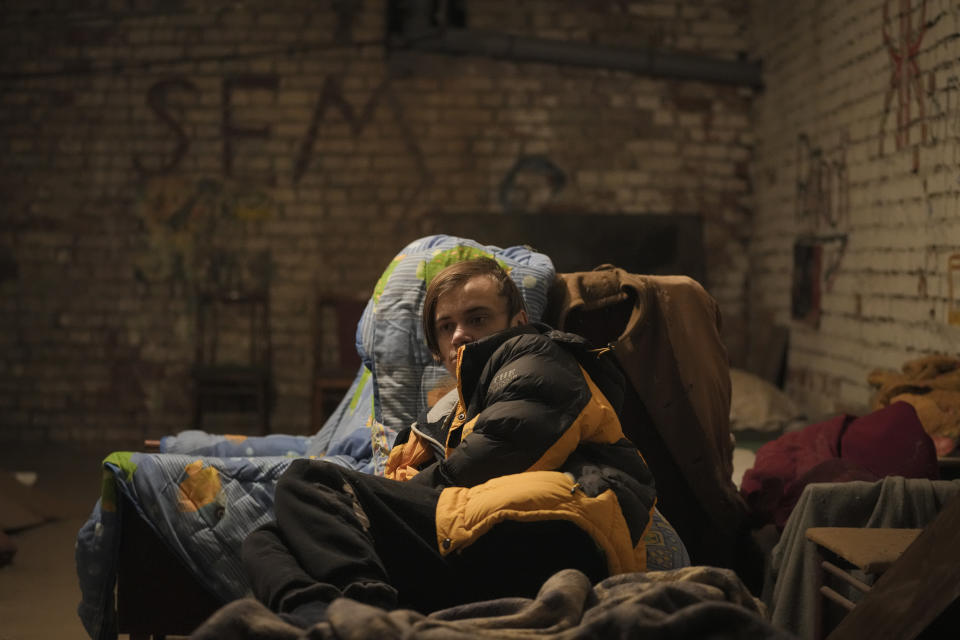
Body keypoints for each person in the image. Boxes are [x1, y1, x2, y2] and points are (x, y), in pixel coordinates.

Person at [241, 257, 657, 627]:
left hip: (556, 528)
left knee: (309, 481)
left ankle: (365, 611)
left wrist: (375, 504)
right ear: (438, 349)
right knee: (266, 538)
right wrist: (372, 510)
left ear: (516, 322)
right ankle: (320, 616)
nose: (460, 335)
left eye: (477, 319)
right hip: (481, 535)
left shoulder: (537, 353)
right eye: (446, 327)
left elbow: (494, 456)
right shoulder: (447, 415)